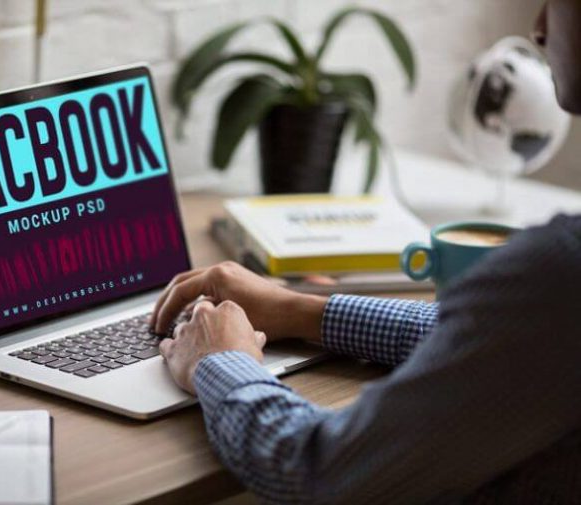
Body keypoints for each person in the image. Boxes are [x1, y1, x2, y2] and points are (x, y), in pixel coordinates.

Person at [151, 2, 581, 503]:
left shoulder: (560, 270)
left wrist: (218, 361)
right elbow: (506, 340)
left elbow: (318, 472)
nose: (539, 28)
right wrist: (302, 309)